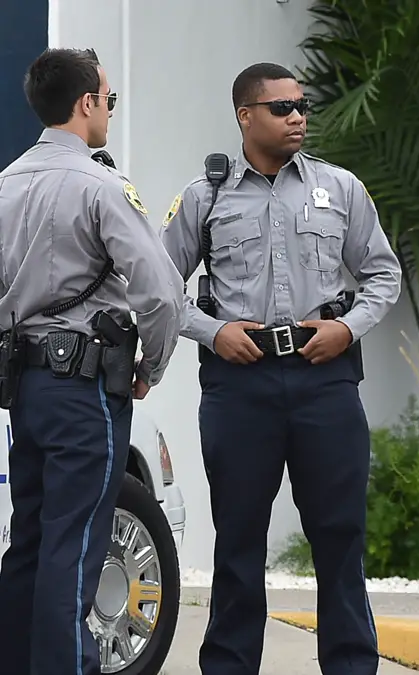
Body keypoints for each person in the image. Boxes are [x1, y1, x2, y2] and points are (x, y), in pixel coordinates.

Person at [159, 62, 402, 675]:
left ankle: (351, 666)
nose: (298, 117)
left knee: (340, 535)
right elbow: (158, 288)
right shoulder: (205, 196)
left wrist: (347, 327)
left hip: (326, 379)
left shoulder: (340, 187)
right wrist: (213, 332)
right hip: (240, 384)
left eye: (303, 106)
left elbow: (383, 273)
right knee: (239, 538)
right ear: (245, 116)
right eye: (282, 108)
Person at [0, 47, 184, 675]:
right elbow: (161, 294)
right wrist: (150, 367)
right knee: (75, 546)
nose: (109, 111)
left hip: (25, 386)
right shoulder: (101, 185)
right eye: (108, 100)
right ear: (86, 104)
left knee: (29, 542)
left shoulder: (7, 182)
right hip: (83, 390)